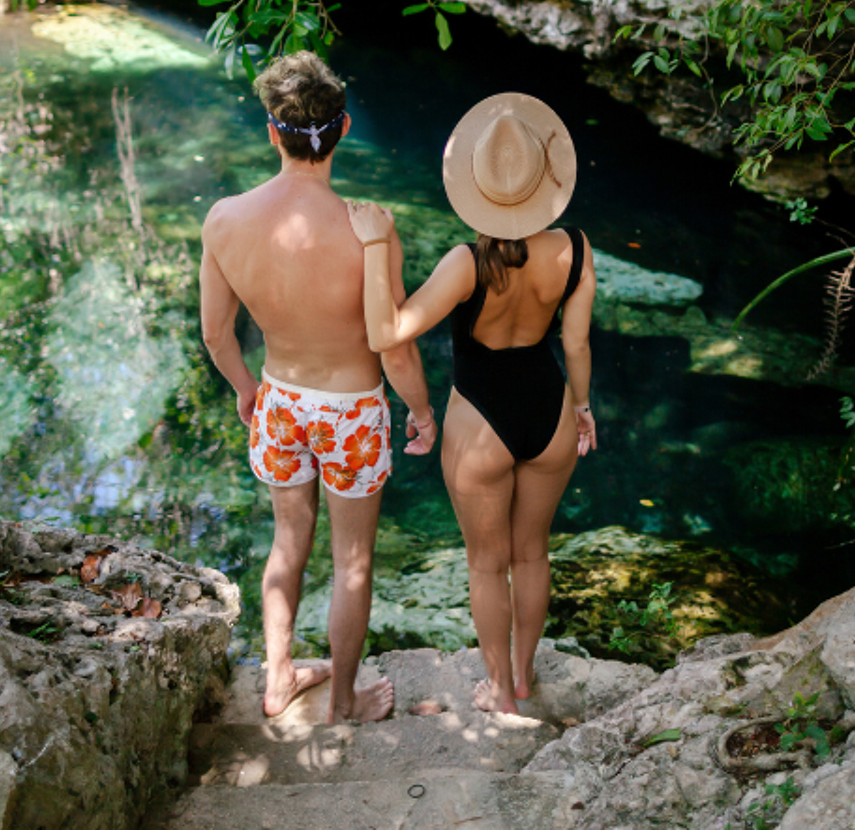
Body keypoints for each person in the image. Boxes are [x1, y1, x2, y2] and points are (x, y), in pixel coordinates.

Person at [199, 51, 434, 724]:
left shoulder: (224, 219)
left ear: (272, 132)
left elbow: (217, 335)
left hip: (280, 397)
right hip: (353, 410)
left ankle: (277, 679)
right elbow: (392, 344)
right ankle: (341, 700)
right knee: (353, 558)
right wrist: (419, 410)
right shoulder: (370, 227)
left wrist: (247, 387)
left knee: (287, 538)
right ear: (345, 128)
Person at [346, 92, 597, 714]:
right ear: (545, 184)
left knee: (487, 566)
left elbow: (388, 335)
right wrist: (583, 407)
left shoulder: (467, 262)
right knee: (532, 552)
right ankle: (522, 679)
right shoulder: (576, 248)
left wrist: (377, 246)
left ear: (478, 191)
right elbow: (576, 341)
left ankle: (499, 698)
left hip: (479, 424)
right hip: (551, 414)